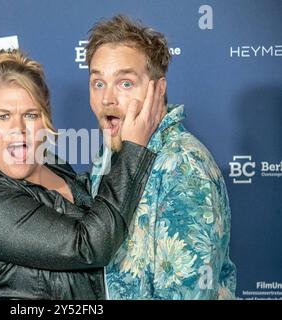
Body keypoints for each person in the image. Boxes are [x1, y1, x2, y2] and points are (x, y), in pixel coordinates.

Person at [0, 49, 163, 299]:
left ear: (46, 121)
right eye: (2, 116)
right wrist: (134, 149)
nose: (18, 129)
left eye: (30, 115)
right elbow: (89, 245)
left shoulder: (52, 165)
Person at [86, 15, 237, 299]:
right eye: (98, 83)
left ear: (158, 89)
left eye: (125, 83)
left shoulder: (183, 165)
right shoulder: (111, 153)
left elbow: (189, 294)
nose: (107, 99)